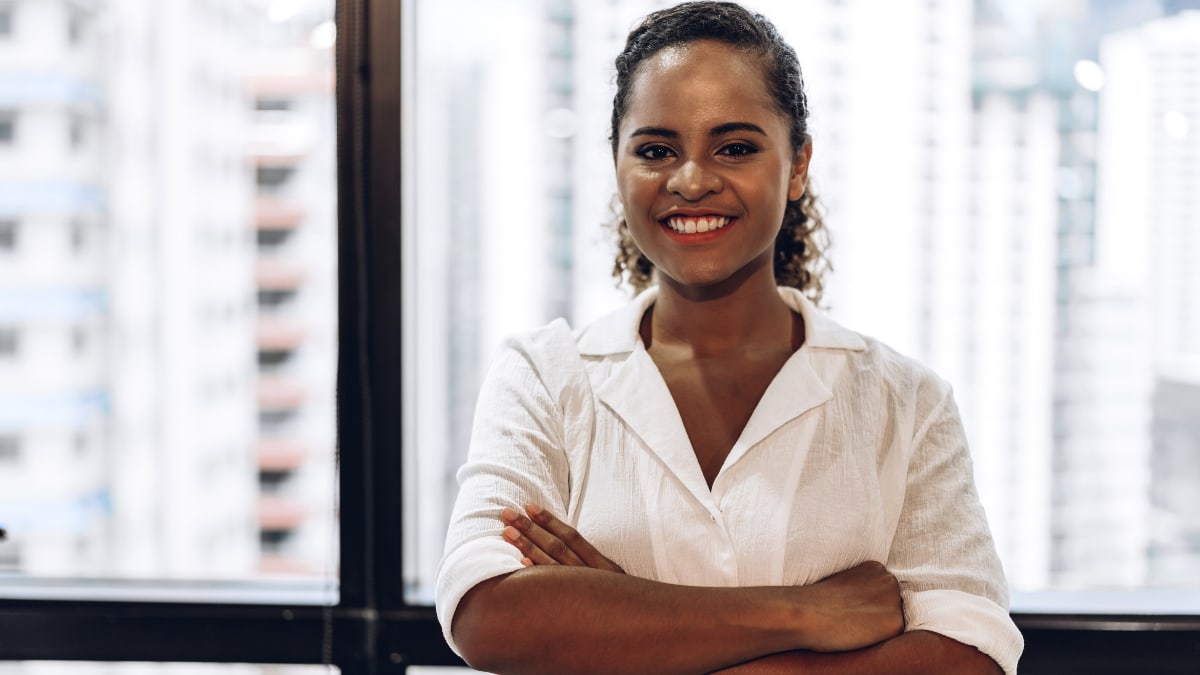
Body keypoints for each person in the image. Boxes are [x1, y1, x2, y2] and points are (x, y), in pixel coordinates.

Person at [435, 2, 1023, 673]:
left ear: (798, 165)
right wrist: (808, 612)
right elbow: (488, 612)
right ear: (618, 165)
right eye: (656, 150)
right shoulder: (545, 375)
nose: (690, 180)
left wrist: (619, 623)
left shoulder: (907, 403)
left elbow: (970, 654)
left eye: (735, 147)